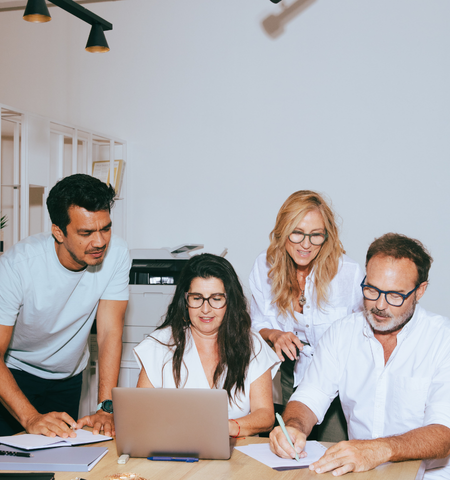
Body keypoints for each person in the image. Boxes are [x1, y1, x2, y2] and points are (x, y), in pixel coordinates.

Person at [270, 233, 450, 479]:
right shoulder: (342, 333)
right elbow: (310, 396)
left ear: (420, 291)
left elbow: (444, 433)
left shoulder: (443, 340)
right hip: (359, 473)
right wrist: (293, 427)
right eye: (371, 290)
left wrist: (378, 450)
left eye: (395, 295)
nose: (380, 305)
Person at [0, 174, 131, 438]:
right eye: (86, 233)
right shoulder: (19, 265)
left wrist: (106, 407)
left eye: (105, 228)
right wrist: (31, 417)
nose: (100, 242)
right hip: (16, 374)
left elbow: (108, 334)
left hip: (68, 378)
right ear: (58, 232)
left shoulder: (116, 254)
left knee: (61, 468)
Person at [249, 190, 363, 440]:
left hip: (334, 377)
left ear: (327, 236)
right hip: (284, 371)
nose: (306, 244)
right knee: (285, 449)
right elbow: (256, 323)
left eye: (315, 235)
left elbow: (364, 336)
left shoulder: (349, 274)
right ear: (282, 231)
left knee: (329, 453)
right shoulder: (264, 266)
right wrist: (275, 335)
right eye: (297, 232)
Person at [135, 253, 280, 437]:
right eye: (197, 298)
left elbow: (265, 415)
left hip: (236, 453)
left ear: (230, 302)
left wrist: (225, 428)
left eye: (216, 299)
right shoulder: (159, 345)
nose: (205, 309)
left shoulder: (253, 344)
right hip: (173, 450)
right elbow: (140, 414)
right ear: (185, 300)